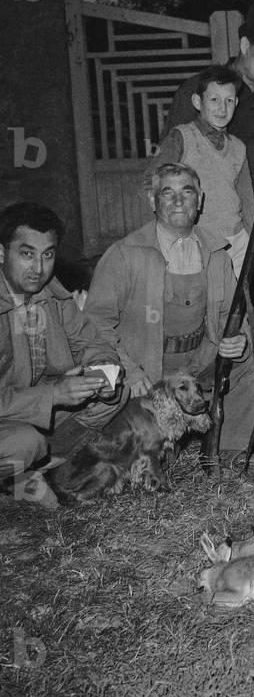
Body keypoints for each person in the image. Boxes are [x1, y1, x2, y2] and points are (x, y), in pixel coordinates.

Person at [85, 164, 254, 463]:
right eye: (168, 192)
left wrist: (238, 339)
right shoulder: (125, 254)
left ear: (200, 200)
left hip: (197, 362)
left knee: (252, 360)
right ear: (153, 201)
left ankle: (230, 449)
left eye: (187, 192)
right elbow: (94, 323)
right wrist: (130, 370)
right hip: (145, 369)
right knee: (156, 461)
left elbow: (235, 310)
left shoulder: (216, 253)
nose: (178, 201)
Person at [162, 18, 254, 375]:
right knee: (218, 298)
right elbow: (175, 163)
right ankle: (215, 378)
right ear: (244, 45)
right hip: (219, 208)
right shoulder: (207, 88)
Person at [0, 203, 126, 507]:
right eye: (27, 254)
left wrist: (100, 371)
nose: (39, 268)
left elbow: (89, 340)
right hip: (11, 415)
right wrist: (53, 395)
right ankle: (14, 481)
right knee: (23, 442)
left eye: (48, 254)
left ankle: (39, 470)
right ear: (1, 253)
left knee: (116, 392)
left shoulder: (51, 293)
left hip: (32, 407)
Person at [153, 65, 254, 292]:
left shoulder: (238, 147)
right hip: (198, 242)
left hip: (237, 242)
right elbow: (152, 184)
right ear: (197, 102)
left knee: (238, 316)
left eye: (229, 100)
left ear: (236, 104)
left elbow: (248, 205)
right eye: (214, 99)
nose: (222, 108)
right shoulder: (182, 137)